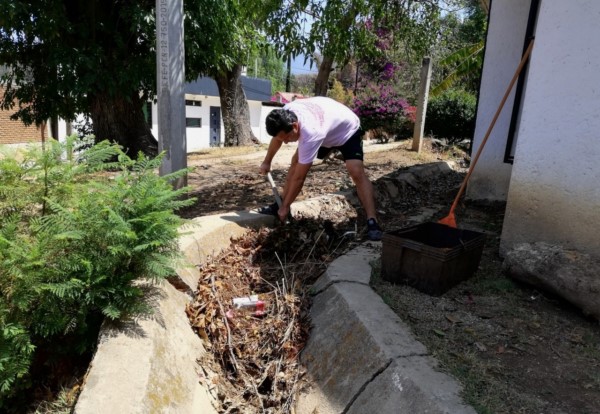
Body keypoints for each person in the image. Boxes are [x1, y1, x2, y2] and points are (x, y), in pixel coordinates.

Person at [258, 96, 383, 241]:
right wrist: (267, 161)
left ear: (295, 126)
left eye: (286, 138)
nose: (285, 142)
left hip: (347, 131)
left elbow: (299, 178)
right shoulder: (284, 114)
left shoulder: (311, 133)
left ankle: (372, 221)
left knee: (356, 172)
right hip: (327, 127)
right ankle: (278, 205)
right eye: (282, 139)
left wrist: (286, 207)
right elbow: (277, 138)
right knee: (295, 161)